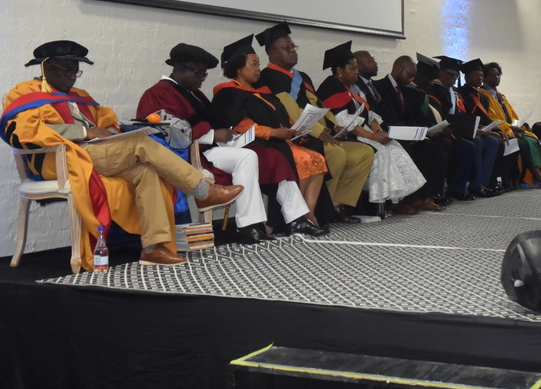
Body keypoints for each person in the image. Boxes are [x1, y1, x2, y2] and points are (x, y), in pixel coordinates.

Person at [1, 41, 244, 269]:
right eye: (67, 70)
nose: (72, 76)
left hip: (96, 153)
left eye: (76, 71)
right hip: (63, 159)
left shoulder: (80, 96)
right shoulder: (25, 93)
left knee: (147, 172)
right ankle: (202, 191)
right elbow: (23, 132)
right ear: (47, 68)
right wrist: (84, 131)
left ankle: (153, 248)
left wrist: (109, 133)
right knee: (140, 143)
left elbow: (106, 122)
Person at [137, 43, 307, 244]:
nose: (202, 78)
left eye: (205, 74)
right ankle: (250, 226)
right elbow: (167, 133)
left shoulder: (194, 93)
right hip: (189, 153)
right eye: (199, 73)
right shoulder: (159, 93)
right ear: (181, 68)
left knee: (268, 154)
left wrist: (228, 133)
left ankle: (280, 221)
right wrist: (212, 135)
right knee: (248, 156)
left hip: (212, 148)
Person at [254, 23, 373, 224]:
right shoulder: (268, 77)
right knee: (336, 154)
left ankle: (335, 205)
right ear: (273, 53)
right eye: (286, 48)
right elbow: (291, 111)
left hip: (318, 132)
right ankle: (318, 210)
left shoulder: (302, 76)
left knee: (364, 153)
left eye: (293, 47)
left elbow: (318, 104)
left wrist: (334, 126)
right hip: (296, 136)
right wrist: (321, 133)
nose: (293, 51)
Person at [211, 36, 327, 236]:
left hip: (278, 140)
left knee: (317, 158)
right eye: (253, 64)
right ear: (239, 68)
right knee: (303, 159)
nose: (259, 69)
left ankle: (308, 214)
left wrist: (293, 130)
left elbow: (280, 117)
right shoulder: (227, 93)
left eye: (258, 64)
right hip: (255, 143)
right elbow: (239, 124)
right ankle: (293, 219)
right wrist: (272, 132)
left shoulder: (262, 93)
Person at [316, 42, 426, 212]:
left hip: (363, 131)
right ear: (339, 70)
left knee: (393, 146)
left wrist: (377, 130)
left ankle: (394, 201)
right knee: (380, 151)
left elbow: (368, 113)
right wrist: (373, 137)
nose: (357, 72)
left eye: (357, 68)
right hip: (347, 134)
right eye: (352, 68)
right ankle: (373, 204)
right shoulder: (330, 87)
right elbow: (344, 121)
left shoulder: (349, 87)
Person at [372, 55, 449, 212]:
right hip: (388, 134)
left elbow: (411, 116)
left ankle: (422, 197)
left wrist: (417, 132)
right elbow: (382, 118)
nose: (411, 79)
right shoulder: (379, 87)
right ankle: (402, 201)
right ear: (398, 69)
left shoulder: (407, 90)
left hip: (406, 134)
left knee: (433, 148)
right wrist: (405, 134)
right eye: (409, 75)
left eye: (413, 76)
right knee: (408, 149)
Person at [428, 55, 497, 200]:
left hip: (456, 132)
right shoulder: (433, 90)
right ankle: (459, 187)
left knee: (490, 142)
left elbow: (460, 115)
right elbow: (439, 116)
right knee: (471, 145)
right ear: (441, 73)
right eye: (451, 75)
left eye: (456, 76)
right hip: (440, 133)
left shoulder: (453, 92)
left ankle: (475, 184)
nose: (454, 79)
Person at [480, 62, 541, 188]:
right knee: (523, 142)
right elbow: (492, 117)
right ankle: (521, 178)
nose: (497, 77)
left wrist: (519, 125)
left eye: (498, 74)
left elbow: (512, 115)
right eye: (493, 75)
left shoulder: (500, 96)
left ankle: (531, 177)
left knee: (532, 138)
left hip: (510, 128)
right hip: (500, 129)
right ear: (484, 77)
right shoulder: (483, 94)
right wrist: (511, 127)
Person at [457, 59, 511, 196]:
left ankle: (483, 183)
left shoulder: (481, 96)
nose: (480, 78)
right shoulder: (460, 93)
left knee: (495, 141)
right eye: (476, 75)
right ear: (466, 77)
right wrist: (477, 130)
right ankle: (474, 184)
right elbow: (461, 117)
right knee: (480, 142)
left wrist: (497, 131)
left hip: (480, 130)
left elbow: (485, 119)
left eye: (481, 75)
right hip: (465, 131)